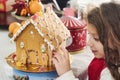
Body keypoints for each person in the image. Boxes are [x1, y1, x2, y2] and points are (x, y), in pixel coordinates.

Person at [52, 2, 120, 80]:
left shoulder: (111, 75)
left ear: (116, 38)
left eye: (96, 38)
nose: (89, 43)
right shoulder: (107, 57)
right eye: (89, 35)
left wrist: (65, 74)